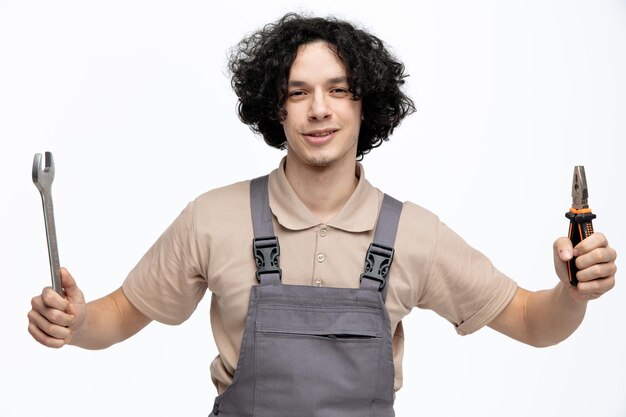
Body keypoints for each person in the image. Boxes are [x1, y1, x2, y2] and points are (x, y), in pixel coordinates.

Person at [27, 13, 617, 416]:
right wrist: (74, 322)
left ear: (366, 106)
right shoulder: (213, 218)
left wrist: (572, 292)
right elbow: (121, 313)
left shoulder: (414, 235)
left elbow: (533, 323)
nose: (318, 110)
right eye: (297, 92)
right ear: (275, 109)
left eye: (338, 89)